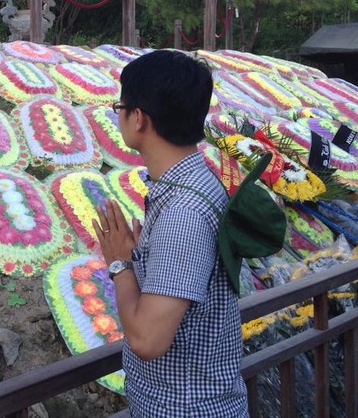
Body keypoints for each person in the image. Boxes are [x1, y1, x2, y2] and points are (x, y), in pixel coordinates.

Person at [92, 49, 249, 417]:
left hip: (184, 408)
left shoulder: (183, 213)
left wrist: (120, 264)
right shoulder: (192, 183)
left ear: (139, 119)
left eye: (121, 106)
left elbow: (148, 339)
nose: (119, 115)